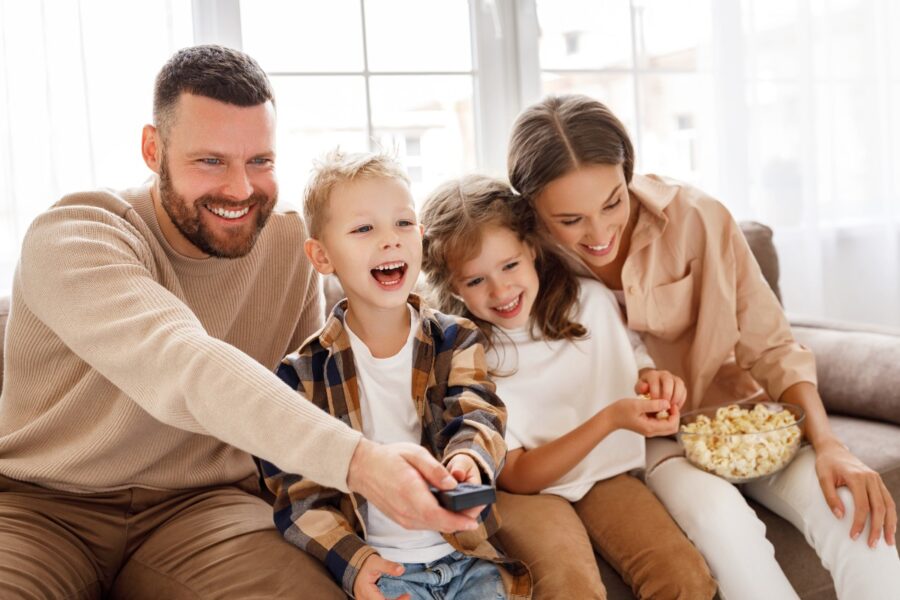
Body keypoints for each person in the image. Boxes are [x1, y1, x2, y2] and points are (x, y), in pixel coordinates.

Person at [0, 45, 481, 599]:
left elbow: (301, 401)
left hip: (204, 506)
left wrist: (358, 543)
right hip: (45, 507)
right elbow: (180, 361)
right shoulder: (75, 234)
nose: (240, 189)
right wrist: (361, 463)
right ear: (153, 149)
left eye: (260, 161)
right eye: (210, 161)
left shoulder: (285, 245)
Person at [504, 93, 900, 599]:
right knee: (722, 524)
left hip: (741, 418)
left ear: (628, 175)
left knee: (854, 513)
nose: (600, 232)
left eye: (612, 203)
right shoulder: (519, 263)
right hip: (644, 448)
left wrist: (829, 444)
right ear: (532, 209)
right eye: (571, 220)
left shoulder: (699, 218)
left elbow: (773, 345)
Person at [419, 174, 716, 600]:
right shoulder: (464, 353)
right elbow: (520, 476)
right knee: (569, 589)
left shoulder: (592, 304)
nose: (501, 290)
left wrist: (655, 383)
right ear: (452, 287)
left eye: (510, 265)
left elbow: (635, 366)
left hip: (606, 477)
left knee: (684, 578)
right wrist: (612, 419)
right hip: (526, 495)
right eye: (475, 280)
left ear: (532, 250)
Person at [260, 151, 531, 600]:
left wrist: (469, 462)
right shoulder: (300, 376)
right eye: (365, 229)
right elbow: (297, 495)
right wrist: (355, 561)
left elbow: (478, 415)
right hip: (384, 567)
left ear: (421, 238)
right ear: (322, 256)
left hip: (465, 559)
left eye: (404, 224)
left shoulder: (456, 341)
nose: (390, 240)